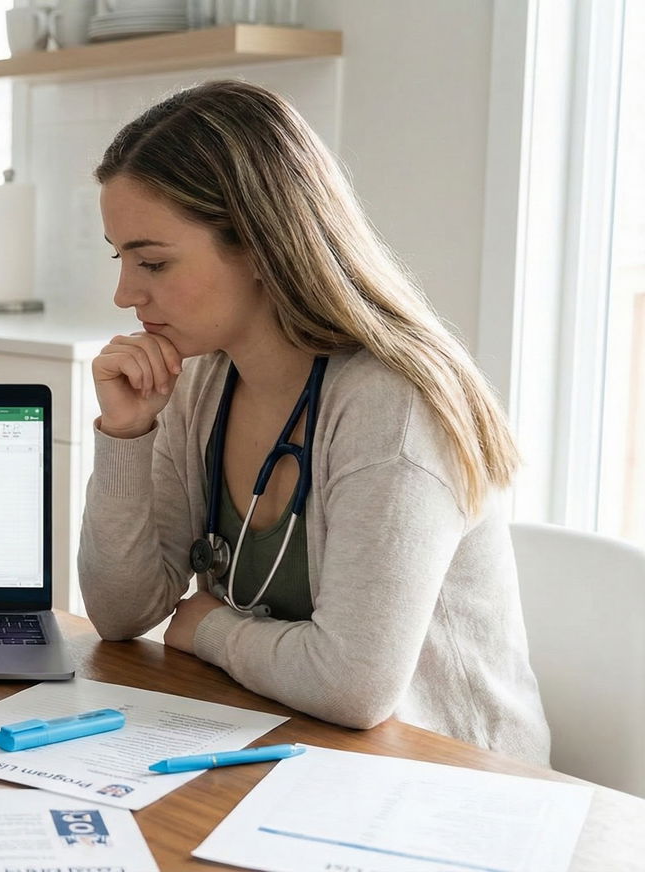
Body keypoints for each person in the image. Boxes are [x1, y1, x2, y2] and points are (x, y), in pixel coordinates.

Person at [78, 80, 550, 763]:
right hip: (284, 744)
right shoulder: (202, 381)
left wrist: (208, 627)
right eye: (120, 258)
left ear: (262, 245)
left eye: (153, 261)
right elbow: (122, 614)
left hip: (448, 780)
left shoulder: (393, 409)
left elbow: (353, 686)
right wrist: (126, 435)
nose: (125, 293)